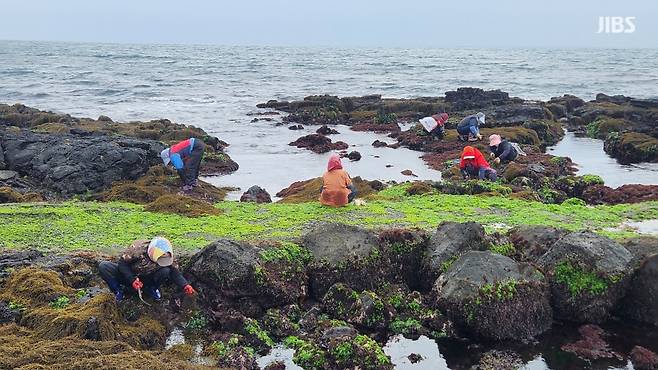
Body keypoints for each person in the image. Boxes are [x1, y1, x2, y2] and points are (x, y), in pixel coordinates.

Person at [98, 237, 196, 302]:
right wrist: (132, 279)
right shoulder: (137, 249)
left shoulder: (169, 256)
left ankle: (152, 289)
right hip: (130, 276)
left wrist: (185, 285)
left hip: (149, 279)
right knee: (104, 266)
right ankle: (118, 291)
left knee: (165, 271)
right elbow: (122, 264)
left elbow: (175, 272)